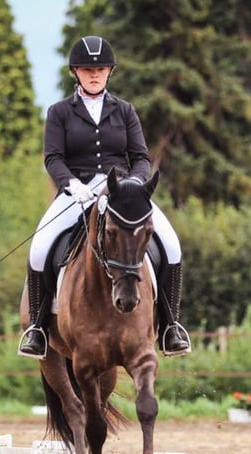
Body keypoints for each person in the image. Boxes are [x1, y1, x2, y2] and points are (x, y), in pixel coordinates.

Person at [18, 35, 192, 359]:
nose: (94, 74)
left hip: (123, 194)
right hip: (77, 192)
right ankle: (39, 329)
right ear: (76, 73)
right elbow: (53, 157)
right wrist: (72, 184)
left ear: (110, 71)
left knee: (171, 243)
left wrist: (137, 181)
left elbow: (140, 156)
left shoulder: (124, 110)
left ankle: (170, 326)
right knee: (40, 247)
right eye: (87, 69)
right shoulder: (59, 112)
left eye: (100, 68)